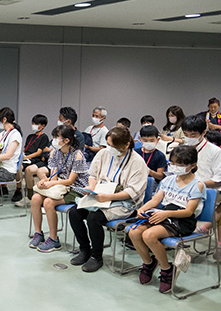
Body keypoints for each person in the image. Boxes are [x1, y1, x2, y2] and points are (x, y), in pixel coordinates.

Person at [68, 127, 148, 272]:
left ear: (126, 145)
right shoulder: (104, 153)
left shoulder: (138, 162)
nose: (109, 148)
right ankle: (84, 249)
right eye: (108, 144)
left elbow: (132, 191)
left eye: (113, 146)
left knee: (94, 218)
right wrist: (91, 189)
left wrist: (109, 197)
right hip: (100, 196)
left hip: (124, 203)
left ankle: (96, 256)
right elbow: (93, 175)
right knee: (74, 212)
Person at [128, 145, 205, 293]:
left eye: (180, 165)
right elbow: (156, 200)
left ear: (193, 165)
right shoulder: (168, 180)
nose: (175, 167)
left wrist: (166, 214)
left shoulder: (197, 185)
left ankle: (166, 269)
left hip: (182, 220)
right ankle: (149, 263)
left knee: (149, 235)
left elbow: (188, 212)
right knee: (134, 232)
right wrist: (143, 208)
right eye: (173, 163)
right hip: (164, 214)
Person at [29, 125, 89, 252]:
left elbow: (71, 181)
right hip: (60, 186)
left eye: (57, 137)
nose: (54, 140)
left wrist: (52, 184)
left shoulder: (77, 155)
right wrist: (45, 182)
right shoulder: (55, 153)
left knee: (48, 202)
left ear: (66, 140)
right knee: (35, 198)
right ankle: (38, 233)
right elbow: (54, 176)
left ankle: (54, 239)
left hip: (76, 189)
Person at [180, 115, 221, 260]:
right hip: (183, 190)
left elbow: (218, 180)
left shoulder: (214, 151)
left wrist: (196, 185)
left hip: (208, 191)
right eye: (185, 134)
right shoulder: (182, 150)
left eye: (193, 135)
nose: (189, 138)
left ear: (204, 132)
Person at [22, 114, 50, 200]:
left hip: (37, 160)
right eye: (33, 123)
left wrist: (26, 157)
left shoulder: (44, 137)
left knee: (29, 170)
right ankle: (18, 191)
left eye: (36, 124)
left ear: (43, 126)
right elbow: (25, 149)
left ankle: (30, 196)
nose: (33, 125)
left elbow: (38, 152)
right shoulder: (30, 137)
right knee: (18, 168)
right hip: (26, 158)